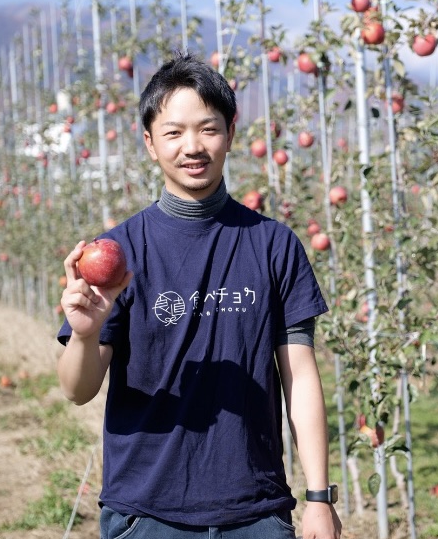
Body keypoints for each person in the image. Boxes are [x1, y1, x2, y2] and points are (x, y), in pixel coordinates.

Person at [57, 52, 341, 539]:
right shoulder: (119, 253)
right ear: (149, 143)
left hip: (257, 510)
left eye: (208, 129)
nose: (193, 146)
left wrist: (319, 497)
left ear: (231, 132)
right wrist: (86, 333)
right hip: (147, 512)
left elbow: (300, 377)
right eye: (173, 132)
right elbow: (77, 390)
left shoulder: (274, 245)